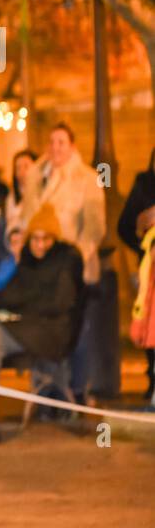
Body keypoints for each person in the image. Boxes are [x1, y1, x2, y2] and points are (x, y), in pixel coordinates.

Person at [0, 205, 85, 445]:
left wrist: (19, 311)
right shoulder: (26, 261)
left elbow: (60, 303)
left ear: (54, 239)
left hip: (51, 332)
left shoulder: (66, 260)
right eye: (35, 238)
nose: (39, 244)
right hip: (26, 327)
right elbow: (7, 296)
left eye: (46, 238)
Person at [19, 124, 106, 401]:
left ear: (72, 146)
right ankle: (47, 392)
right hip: (40, 267)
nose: (55, 148)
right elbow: (26, 219)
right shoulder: (37, 178)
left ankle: (78, 390)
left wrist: (77, 258)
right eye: (52, 142)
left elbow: (95, 228)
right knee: (41, 327)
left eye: (61, 142)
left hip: (72, 268)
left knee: (75, 329)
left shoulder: (87, 179)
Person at [118, 147, 155, 400]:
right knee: (150, 324)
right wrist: (145, 248)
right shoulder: (143, 184)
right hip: (150, 271)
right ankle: (153, 380)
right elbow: (124, 226)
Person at [4, 148, 38, 232]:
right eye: (18, 168)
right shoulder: (11, 198)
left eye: (26, 166)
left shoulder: (43, 193)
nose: (22, 172)